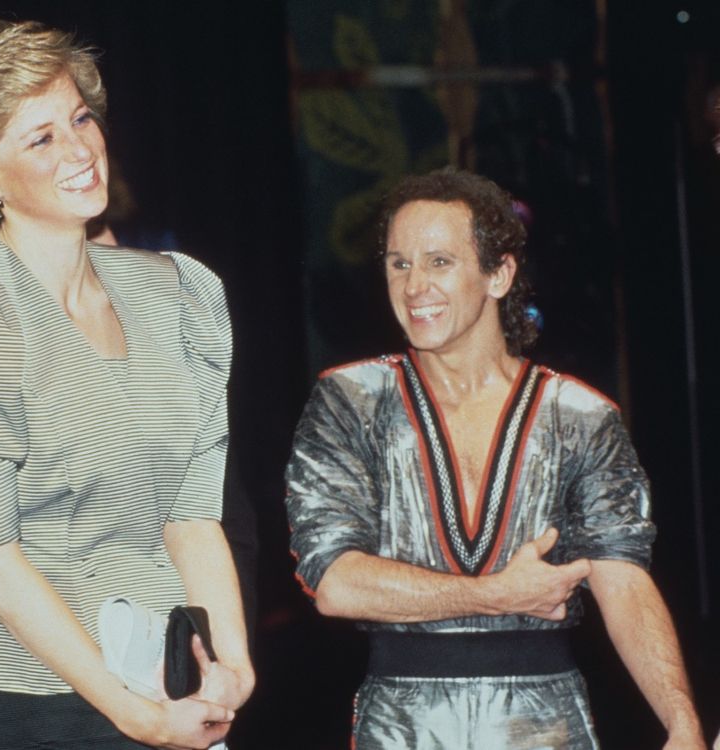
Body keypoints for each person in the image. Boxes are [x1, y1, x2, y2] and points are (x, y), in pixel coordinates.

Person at [0, 20, 254, 749]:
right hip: (43, 699)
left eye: (80, 117)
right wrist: (136, 715)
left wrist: (232, 668)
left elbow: (192, 514)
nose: (82, 148)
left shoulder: (178, 293)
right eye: (41, 138)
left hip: (176, 675)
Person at [284, 167, 705, 749]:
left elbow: (623, 577)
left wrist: (680, 720)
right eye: (398, 262)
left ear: (499, 273)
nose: (413, 286)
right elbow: (334, 581)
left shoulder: (581, 416)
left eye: (439, 262)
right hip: (403, 723)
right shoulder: (350, 401)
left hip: (546, 720)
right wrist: (493, 594)